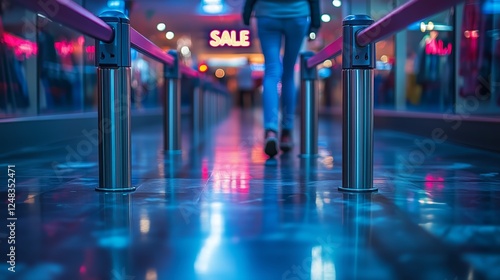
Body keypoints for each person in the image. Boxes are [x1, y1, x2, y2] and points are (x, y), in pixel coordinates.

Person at [242, 0, 320, 157]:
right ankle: (286, 132)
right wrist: (315, 22)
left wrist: (247, 12)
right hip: (297, 14)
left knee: (271, 71)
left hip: (266, 13)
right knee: (289, 73)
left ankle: (271, 131)